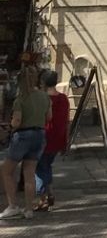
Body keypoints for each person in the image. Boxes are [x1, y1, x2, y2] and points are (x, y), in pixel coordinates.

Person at [0, 65, 50, 220]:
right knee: (29, 173)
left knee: (7, 170)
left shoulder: (20, 99)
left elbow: (17, 121)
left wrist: (9, 126)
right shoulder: (44, 96)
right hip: (39, 135)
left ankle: (12, 205)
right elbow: (48, 117)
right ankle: (29, 209)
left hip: (22, 135)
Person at [33, 70, 68, 212]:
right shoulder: (64, 99)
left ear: (43, 83)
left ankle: (42, 198)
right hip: (58, 137)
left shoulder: (42, 99)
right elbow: (66, 120)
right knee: (47, 165)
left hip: (44, 136)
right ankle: (51, 192)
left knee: (40, 168)